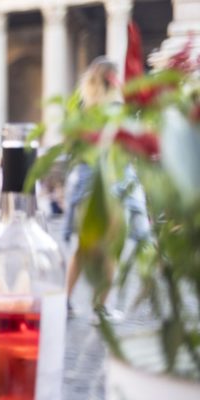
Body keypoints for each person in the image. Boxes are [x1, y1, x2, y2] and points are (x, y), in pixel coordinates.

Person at [64, 57, 150, 321]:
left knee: (82, 248)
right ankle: (101, 308)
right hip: (111, 182)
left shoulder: (79, 106)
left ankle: (64, 302)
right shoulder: (115, 107)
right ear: (112, 78)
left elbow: (72, 146)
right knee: (112, 249)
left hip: (84, 184)